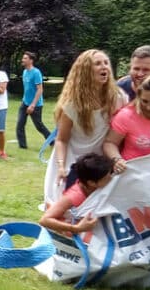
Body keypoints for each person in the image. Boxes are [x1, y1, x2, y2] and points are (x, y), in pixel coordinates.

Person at [44, 49, 126, 202]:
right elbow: (61, 140)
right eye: (97, 63)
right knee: (68, 206)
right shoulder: (72, 104)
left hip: (100, 164)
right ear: (85, 70)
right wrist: (61, 166)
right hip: (73, 162)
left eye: (106, 63)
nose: (104, 67)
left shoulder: (118, 97)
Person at [39, 153, 114, 237]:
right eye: (107, 178)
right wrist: (76, 228)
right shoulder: (74, 196)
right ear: (92, 183)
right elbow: (44, 220)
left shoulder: (95, 185)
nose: (111, 179)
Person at [103, 73, 150, 171]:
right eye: (144, 101)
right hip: (133, 169)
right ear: (138, 96)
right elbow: (110, 143)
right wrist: (117, 159)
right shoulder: (126, 115)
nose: (149, 107)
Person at [15, 50, 52, 149]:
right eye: (23, 58)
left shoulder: (36, 73)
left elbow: (40, 89)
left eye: (25, 58)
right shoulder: (25, 72)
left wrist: (33, 105)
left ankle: (53, 141)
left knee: (39, 126)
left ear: (31, 61)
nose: (22, 60)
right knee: (20, 124)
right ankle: (22, 147)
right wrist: (25, 101)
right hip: (25, 102)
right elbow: (27, 88)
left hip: (36, 104)